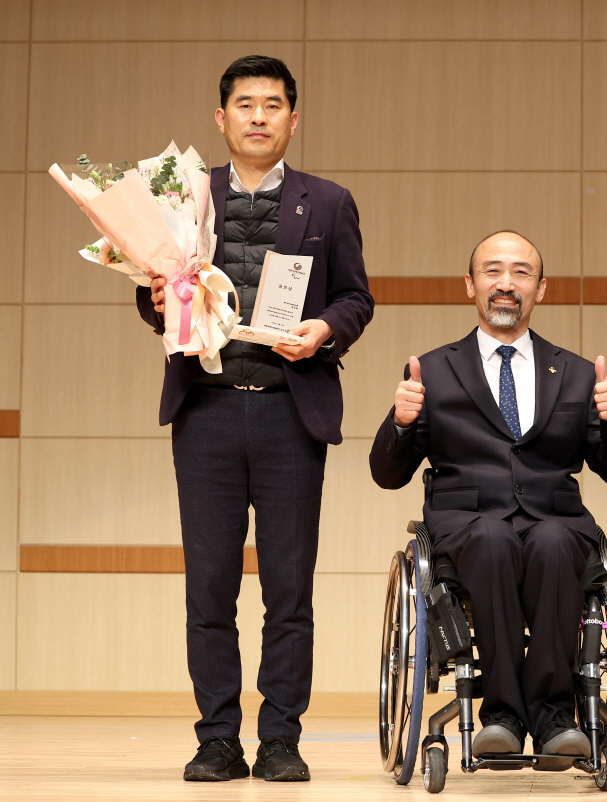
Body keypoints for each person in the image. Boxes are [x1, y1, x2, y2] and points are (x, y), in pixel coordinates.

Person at [136, 55, 374, 782]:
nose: (260, 117)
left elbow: (355, 299)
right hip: (204, 411)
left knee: (287, 589)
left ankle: (280, 738)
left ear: (292, 120)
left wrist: (324, 332)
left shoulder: (328, 203)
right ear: (221, 118)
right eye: (246, 105)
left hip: (287, 416)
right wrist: (154, 302)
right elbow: (154, 295)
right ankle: (216, 738)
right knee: (208, 586)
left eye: (274, 105)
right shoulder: (185, 197)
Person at [369, 230, 607, 757]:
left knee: (554, 542)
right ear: (469, 285)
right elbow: (387, 473)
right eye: (492, 271)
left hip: (554, 520)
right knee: (492, 539)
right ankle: (501, 715)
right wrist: (401, 422)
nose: (506, 284)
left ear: (543, 289)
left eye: (521, 273)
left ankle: (555, 716)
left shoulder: (579, 373)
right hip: (466, 523)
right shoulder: (434, 370)